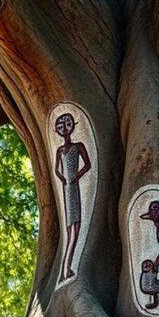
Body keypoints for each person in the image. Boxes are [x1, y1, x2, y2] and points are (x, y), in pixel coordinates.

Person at [53, 113, 91, 282]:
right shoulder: (60, 150)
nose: (65, 129)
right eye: (61, 126)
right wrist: (63, 180)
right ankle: (65, 268)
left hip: (74, 186)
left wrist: (76, 175)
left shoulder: (79, 145)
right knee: (70, 229)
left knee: (76, 226)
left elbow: (88, 164)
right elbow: (56, 170)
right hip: (68, 188)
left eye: (67, 124)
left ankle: (68, 266)